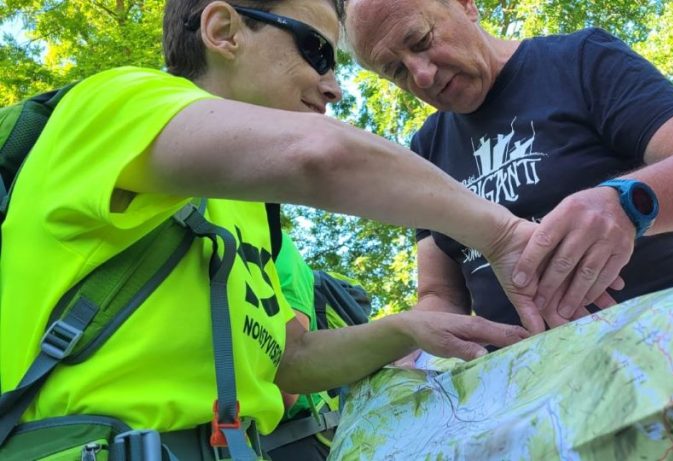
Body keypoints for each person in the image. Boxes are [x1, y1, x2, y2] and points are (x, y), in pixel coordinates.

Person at [0, 0, 620, 457]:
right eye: (317, 50)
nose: (334, 85)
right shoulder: (116, 104)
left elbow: (289, 360)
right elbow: (321, 155)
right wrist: (504, 235)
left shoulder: (248, 213)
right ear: (223, 31)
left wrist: (408, 328)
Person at [339, 0, 673, 338]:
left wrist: (624, 204)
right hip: (527, 395)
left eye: (421, 40)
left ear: (465, 4)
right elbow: (440, 295)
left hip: (663, 352)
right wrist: (406, 345)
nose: (423, 75)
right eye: (395, 70)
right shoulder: (426, 147)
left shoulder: (578, 60)